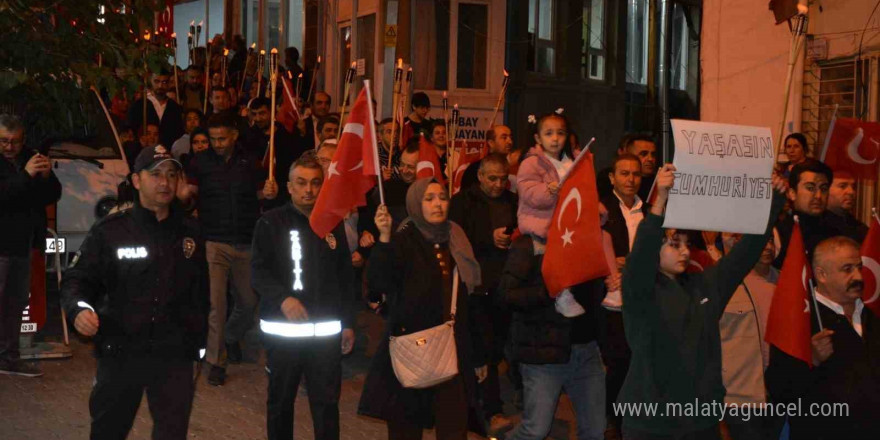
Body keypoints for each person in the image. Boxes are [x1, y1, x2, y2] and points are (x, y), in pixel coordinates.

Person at [617, 164, 786, 440]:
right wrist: (660, 200)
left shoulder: (704, 286)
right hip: (650, 424)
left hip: (701, 423)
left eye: (686, 243)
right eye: (674, 244)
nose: (684, 251)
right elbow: (640, 257)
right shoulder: (639, 291)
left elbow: (744, 254)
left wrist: (774, 200)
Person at [61, 145, 208, 439]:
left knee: (172, 432)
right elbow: (76, 279)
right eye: (155, 175)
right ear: (137, 180)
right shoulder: (111, 231)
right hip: (121, 352)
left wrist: (197, 348)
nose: (165, 183)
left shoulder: (190, 233)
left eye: (171, 174)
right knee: (108, 430)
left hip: (173, 356)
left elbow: (201, 297)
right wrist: (79, 310)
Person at [358, 178, 486, 440]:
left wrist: (479, 355)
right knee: (406, 429)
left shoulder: (456, 239)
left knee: (454, 427)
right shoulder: (404, 240)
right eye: (429, 199)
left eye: (442, 197)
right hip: (412, 351)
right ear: (415, 203)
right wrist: (383, 237)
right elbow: (379, 282)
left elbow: (471, 302)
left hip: (452, 351)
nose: (438, 204)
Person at [251, 155, 356, 440]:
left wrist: (347, 322)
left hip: (324, 336)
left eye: (315, 183)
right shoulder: (270, 223)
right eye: (301, 183)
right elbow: (258, 272)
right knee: (280, 404)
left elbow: (345, 277)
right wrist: (283, 299)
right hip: (284, 336)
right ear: (289, 186)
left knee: (326, 405)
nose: (308, 190)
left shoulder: (333, 224)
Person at [179, 113, 278, 386]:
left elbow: (261, 196)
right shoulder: (199, 163)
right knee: (216, 306)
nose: (218, 144)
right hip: (214, 242)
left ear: (234, 135)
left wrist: (269, 193)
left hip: (246, 241)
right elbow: (189, 201)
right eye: (213, 139)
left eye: (222, 138)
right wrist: (185, 197)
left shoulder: (250, 162)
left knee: (248, 303)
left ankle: (230, 337)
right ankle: (216, 361)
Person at [766, 236, 880, 440]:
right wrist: (813, 359)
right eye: (847, 269)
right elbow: (779, 390)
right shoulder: (800, 320)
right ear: (822, 274)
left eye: (859, 267)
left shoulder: (872, 314)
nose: (858, 276)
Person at [448, 153, 517, 436]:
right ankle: (490, 411)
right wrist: (490, 237)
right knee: (482, 351)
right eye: (492, 178)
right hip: (475, 287)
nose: (498, 184)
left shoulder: (513, 201)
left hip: (507, 286)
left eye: (503, 178)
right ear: (480, 176)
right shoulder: (463, 202)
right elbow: (455, 238)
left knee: (497, 348)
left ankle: (483, 406)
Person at [0, 114, 61, 377]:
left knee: (14, 304)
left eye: (14, 141)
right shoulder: (20, 166)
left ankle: (8, 357)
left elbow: (52, 195)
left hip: (24, 244)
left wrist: (47, 177)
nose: (9, 147)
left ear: (23, 139)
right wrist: (25, 175)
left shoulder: (31, 156)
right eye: (3, 141)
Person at [515, 112, 583, 317]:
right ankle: (562, 294)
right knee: (554, 260)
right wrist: (548, 190)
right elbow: (527, 192)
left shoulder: (571, 163)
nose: (555, 139)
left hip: (565, 225)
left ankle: (568, 291)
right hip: (540, 226)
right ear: (538, 138)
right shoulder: (531, 163)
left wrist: (595, 209)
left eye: (560, 133)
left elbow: (580, 191)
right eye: (549, 133)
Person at [718, 236, 782, 440]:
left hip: (780, 391)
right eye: (761, 241)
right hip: (740, 395)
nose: (768, 247)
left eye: (771, 240)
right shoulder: (724, 282)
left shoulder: (787, 282)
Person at [597, 153, 644, 438]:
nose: (630, 179)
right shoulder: (601, 210)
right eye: (624, 174)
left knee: (637, 364)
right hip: (610, 301)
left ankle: (632, 419)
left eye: (636, 174)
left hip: (642, 301)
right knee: (616, 364)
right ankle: (612, 420)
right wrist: (613, 260)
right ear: (613, 178)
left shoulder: (649, 210)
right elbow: (589, 248)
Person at [242, 97, 307, 207]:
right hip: (256, 197)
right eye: (254, 114)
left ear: (272, 113)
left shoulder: (285, 135)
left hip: (283, 195)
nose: (258, 118)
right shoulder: (247, 137)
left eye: (262, 113)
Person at [773, 159, 839, 268]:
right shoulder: (778, 235)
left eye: (823, 189)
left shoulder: (838, 231)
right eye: (810, 188)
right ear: (792, 193)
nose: (818, 195)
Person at [127, 70, 185, 149]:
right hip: (143, 150)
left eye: (164, 82)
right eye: (157, 81)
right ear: (151, 81)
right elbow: (132, 128)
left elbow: (178, 132)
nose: (160, 86)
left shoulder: (174, 107)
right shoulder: (139, 105)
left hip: (167, 150)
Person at [597, 134, 657, 201]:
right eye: (643, 154)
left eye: (653, 154)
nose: (650, 159)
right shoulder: (606, 179)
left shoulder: (658, 181)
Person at [459, 125, 514, 191]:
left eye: (510, 137)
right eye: (504, 137)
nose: (510, 141)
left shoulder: (514, 167)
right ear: (491, 143)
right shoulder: (475, 169)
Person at [825, 168, 868, 242]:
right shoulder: (815, 226)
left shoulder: (860, 228)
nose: (851, 192)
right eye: (842, 186)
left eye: (853, 187)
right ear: (825, 190)